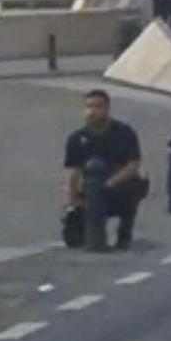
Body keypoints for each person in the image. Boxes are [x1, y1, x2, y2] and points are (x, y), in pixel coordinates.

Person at [63, 90, 147, 251]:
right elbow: (73, 171)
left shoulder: (124, 133)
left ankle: (124, 235)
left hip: (120, 183)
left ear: (107, 109)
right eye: (89, 107)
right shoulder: (76, 139)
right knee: (73, 239)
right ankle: (91, 235)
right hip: (90, 186)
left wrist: (110, 183)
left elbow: (133, 165)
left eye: (98, 106)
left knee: (132, 190)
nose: (92, 111)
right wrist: (72, 200)